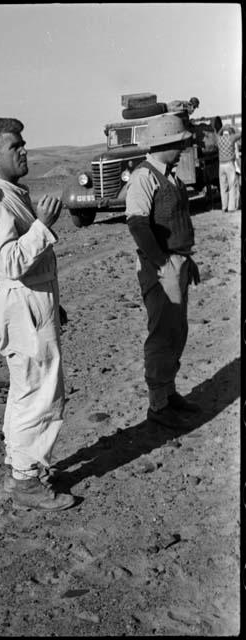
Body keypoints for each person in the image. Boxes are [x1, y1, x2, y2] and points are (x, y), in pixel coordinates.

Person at [0, 117, 74, 511]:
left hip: (32, 301)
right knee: (38, 392)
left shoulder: (12, 193)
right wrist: (43, 226)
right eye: (16, 146)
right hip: (22, 303)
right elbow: (9, 262)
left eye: (23, 143)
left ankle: (23, 467)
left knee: (28, 389)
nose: (24, 150)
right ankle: (26, 481)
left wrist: (51, 301)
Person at [125, 113, 201, 430]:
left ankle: (169, 394)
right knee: (162, 334)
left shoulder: (171, 176)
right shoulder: (145, 177)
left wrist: (187, 261)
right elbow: (137, 224)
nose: (183, 149)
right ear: (164, 144)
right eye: (178, 143)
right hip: (161, 267)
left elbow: (178, 223)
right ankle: (158, 405)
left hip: (177, 262)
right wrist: (161, 263)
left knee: (177, 331)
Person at [216, 124, 242, 212]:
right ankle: (231, 207)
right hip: (229, 164)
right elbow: (240, 133)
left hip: (221, 165)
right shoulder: (231, 138)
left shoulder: (219, 139)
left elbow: (217, 133)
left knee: (223, 186)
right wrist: (233, 127)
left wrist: (222, 128)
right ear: (230, 132)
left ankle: (224, 207)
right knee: (232, 185)